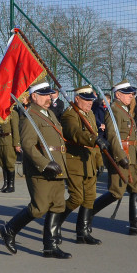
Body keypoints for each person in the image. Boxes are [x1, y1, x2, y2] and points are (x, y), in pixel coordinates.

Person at [0, 82, 71, 258]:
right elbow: (28, 145)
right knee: (39, 207)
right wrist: (45, 163)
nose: (49, 98)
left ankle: (50, 246)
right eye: (44, 95)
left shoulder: (49, 114)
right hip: (42, 169)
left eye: (49, 94)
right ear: (34, 97)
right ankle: (9, 229)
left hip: (57, 165)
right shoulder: (30, 116)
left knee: (58, 205)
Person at [91, 81, 137, 237]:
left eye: (132, 93)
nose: (131, 96)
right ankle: (86, 215)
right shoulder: (114, 111)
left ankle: (136, 225)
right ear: (118, 95)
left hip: (131, 155)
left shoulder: (124, 110)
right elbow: (113, 137)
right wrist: (120, 157)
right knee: (116, 192)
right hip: (122, 155)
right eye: (128, 94)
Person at [57, 85, 103, 244]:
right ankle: (55, 224)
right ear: (77, 99)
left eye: (91, 100)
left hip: (89, 162)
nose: (90, 103)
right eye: (86, 100)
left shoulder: (89, 114)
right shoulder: (70, 114)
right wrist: (92, 139)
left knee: (89, 198)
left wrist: (99, 160)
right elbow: (74, 133)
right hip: (74, 162)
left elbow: (95, 136)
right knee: (76, 198)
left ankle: (82, 233)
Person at [0, 106, 20, 193]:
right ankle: (5, 184)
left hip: (9, 140)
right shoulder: (0, 113)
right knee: (2, 163)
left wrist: (16, 144)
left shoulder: (13, 113)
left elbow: (15, 129)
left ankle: (11, 185)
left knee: (9, 163)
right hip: (1, 140)